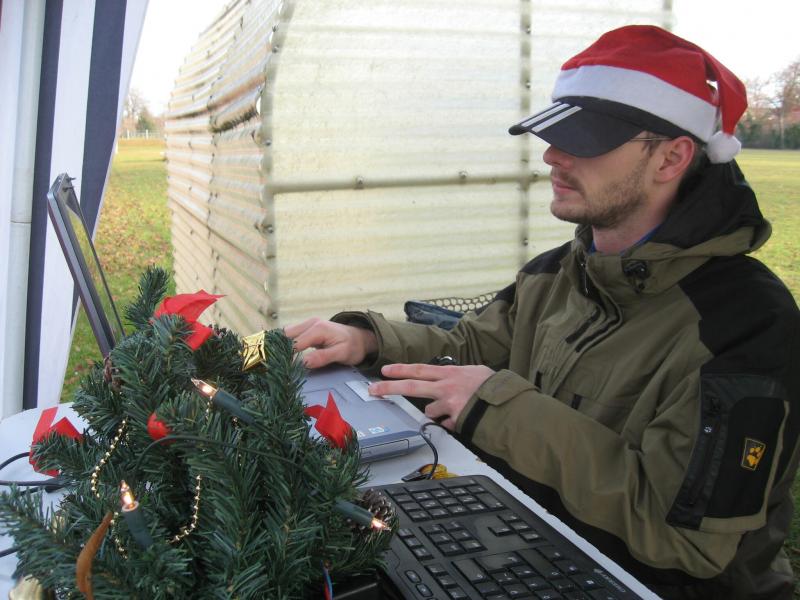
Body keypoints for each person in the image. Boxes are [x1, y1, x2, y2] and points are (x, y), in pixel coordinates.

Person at [285, 25, 800, 599]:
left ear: (671, 157)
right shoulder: (561, 271)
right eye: (555, 135)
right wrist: (369, 340)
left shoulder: (746, 325)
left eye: (585, 139)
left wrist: (500, 409)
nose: (552, 155)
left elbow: (686, 539)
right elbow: (475, 347)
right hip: (526, 538)